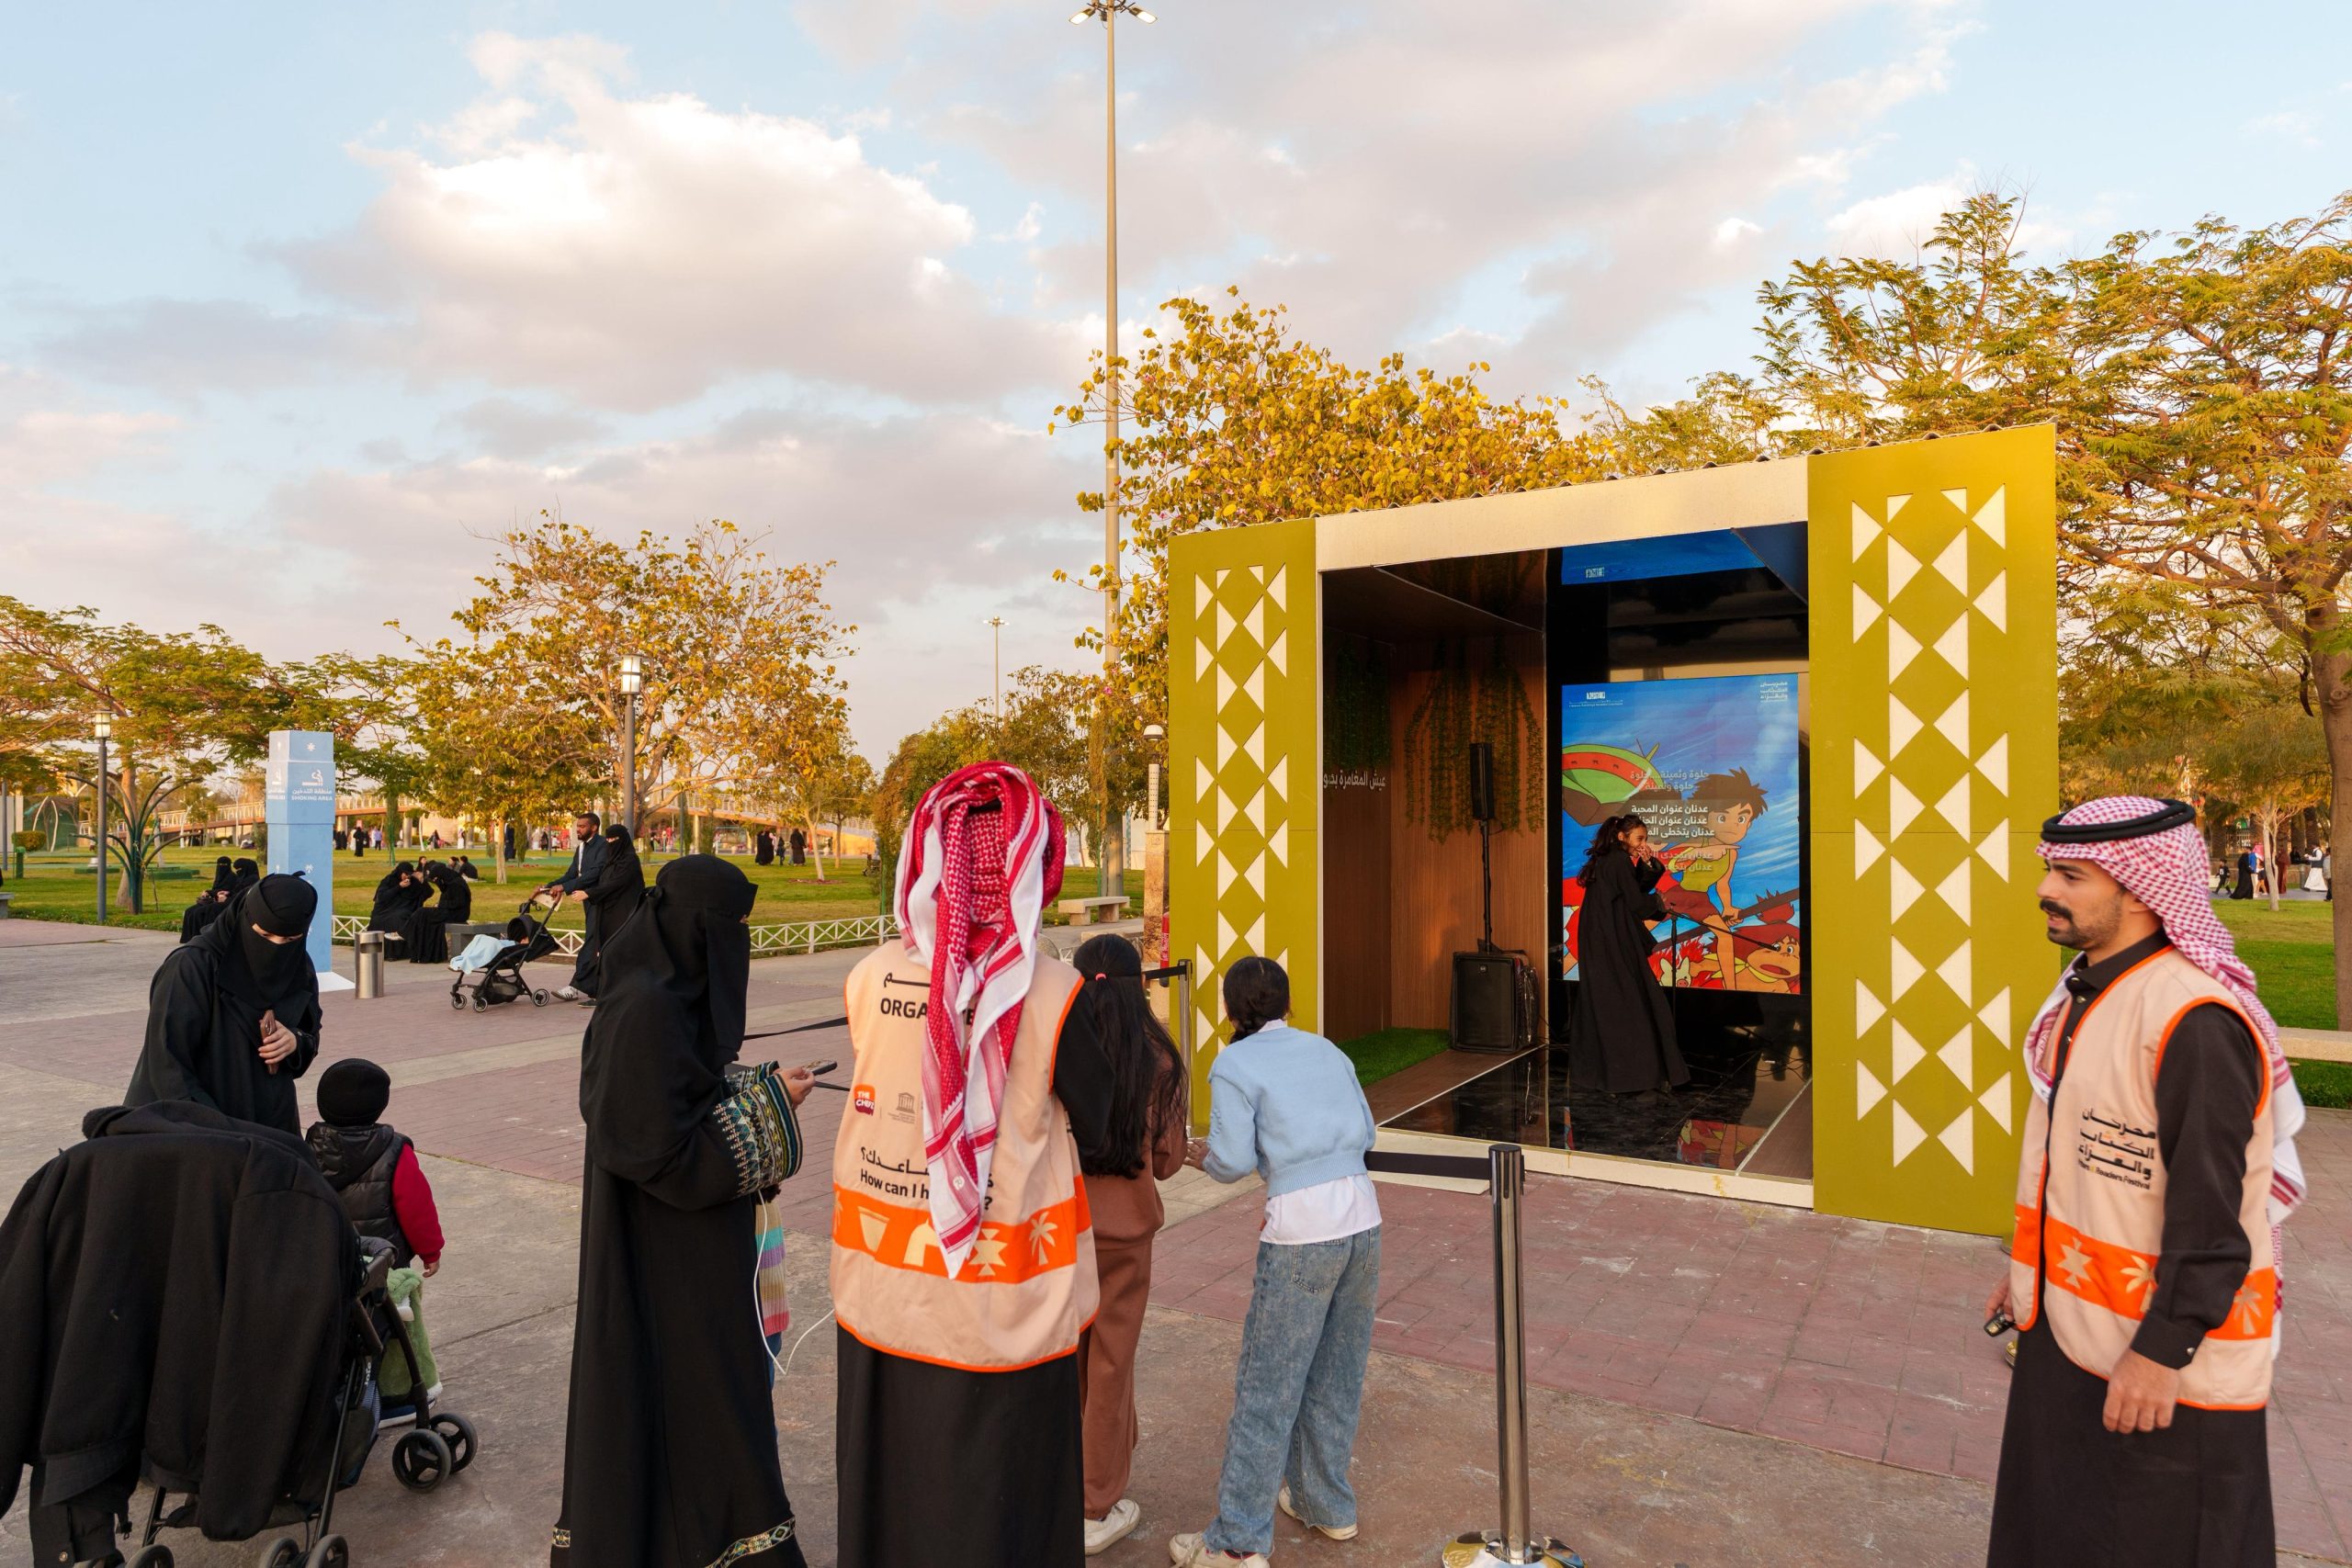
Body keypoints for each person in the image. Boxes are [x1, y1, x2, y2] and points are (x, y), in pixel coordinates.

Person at [1984, 796, 2309, 1568]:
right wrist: (2028, 1269)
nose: (2045, 890)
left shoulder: (2193, 1021)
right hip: (2069, 1337)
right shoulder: (2093, 991)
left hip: (2163, 1366)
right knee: (2060, 1529)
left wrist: (2161, 1351)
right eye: (2050, 870)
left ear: (2139, 890)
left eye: (2071, 876)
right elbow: (2087, 1172)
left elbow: (2215, 1217)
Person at [831, 762, 1114, 1568]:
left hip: (886, 1291)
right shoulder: (1055, 991)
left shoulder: (869, 975)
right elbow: (1104, 1123)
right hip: (1004, 1306)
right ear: (1032, 866)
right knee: (1002, 1507)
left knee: (893, 1491)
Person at [552, 855, 817, 1568]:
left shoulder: (663, 990)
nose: (738, 944)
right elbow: (651, 1148)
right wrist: (770, 1111)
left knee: (708, 1403)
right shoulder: (645, 1007)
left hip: (686, 1246)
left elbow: (679, 1093)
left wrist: (760, 1085)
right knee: (696, 1400)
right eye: (732, 928)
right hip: (662, 1253)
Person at [1170, 955, 1381, 1568]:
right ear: (1287, 1004)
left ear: (1231, 1010)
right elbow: (1366, 1132)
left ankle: (1236, 1543)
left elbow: (1233, 1159)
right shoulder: (1328, 1050)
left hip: (1300, 1231)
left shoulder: (1234, 1064)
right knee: (1337, 1372)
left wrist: (1202, 1157)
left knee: (1267, 1386)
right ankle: (1326, 1502)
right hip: (1363, 1220)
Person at [1064, 934, 1190, 1554]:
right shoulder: (1159, 1058)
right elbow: (1166, 1161)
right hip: (1127, 1236)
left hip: (1062, 1226)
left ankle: (1064, 1476)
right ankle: (1094, 1503)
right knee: (1112, 1364)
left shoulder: (1058, 1047)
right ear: (1140, 983)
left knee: (1065, 1356)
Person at [124, 874, 322, 1138]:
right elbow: (168, 1066)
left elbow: (309, 1035)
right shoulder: (192, 966)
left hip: (270, 1124)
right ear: (244, 917)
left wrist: (294, 1042)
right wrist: (224, 1137)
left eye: (289, 939)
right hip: (195, 1126)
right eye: (264, 934)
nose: (275, 947)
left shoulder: (298, 966)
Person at [307, 1057, 447, 1420]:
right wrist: (430, 1249)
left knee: (340, 1330)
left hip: (330, 1260)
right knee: (392, 1327)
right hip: (386, 1262)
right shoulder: (395, 1151)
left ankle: (339, 1396)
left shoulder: (309, 1147)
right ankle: (395, 1397)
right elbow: (416, 1206)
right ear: (379, 1105)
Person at [1566, 814, 1689, 1096]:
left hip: (1602, 937)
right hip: (1612, 938)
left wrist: (1648, 867)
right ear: (1622, 837)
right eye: (1639, 839)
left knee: (1611, 1000)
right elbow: (1636, 902)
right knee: (1629, 999)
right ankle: (1636, 1074)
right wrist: (1659, 903)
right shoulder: (1618, 860)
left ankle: (1611, 1074)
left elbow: (1631, 891)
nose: (1643, 844)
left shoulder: (1609, 859)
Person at [566, 824, 645, 1004]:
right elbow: (601, 880)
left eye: (613, 839)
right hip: (608, 912)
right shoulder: (611, 859)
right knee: (603, 953)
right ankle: (600, 993)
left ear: (622, 840)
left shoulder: (629, 861)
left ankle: (617, 994)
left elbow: (615, 883)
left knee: (617, 954)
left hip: (624, 914)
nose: (610, 842)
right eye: (607, 839)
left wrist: (589, 893)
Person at [540, 812, 610, 1001]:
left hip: (602, 902)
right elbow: (572, 874)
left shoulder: (603, 846)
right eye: (577, 826)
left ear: (594, 827)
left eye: (582, 826)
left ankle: (575, 986)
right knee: (596, 943)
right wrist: (548, 886)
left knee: (592, 943)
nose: (578, 829)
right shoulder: (581, 848)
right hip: (589, 902)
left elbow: (594, 874)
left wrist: (565, 887)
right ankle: (597, 988)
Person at [176, 855, 236, 943]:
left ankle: (198, 938)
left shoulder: (232, 877)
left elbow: (225, 891)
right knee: (189, 911)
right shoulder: (219, 877)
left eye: (224, 865)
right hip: (213, 901)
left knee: (198, 913)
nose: (221, 867)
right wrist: (208, 893)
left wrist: (210, 892)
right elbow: (216, 890)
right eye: (219, 864)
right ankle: (187, 938)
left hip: (222, 903)